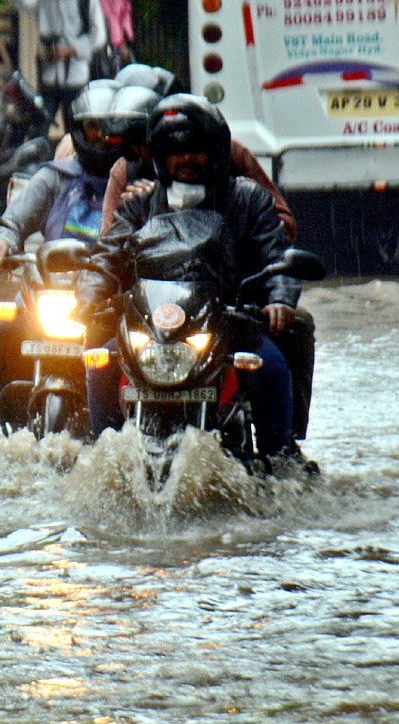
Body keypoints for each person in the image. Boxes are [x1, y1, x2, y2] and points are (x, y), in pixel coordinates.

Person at [75, 94, 302, 462]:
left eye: (195, 150)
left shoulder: (247, 199)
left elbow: (275, 255)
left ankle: (280, 461)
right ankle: (104, 458)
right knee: (99, 363)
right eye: (174, 152)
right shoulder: (140, 202)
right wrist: (87, 296)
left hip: (231, 323)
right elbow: (107, 255)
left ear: (215, 152)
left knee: (271, 366)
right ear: (160, 158)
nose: (186, 160)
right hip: (152, 330)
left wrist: (278, 299)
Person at [0, 80, 123, 429]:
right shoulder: (54, 178)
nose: (102, 139)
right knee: (6, 333)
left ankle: (119, 423)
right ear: (78, 132)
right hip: (53, 290)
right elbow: (13, 218)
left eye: (110, 131)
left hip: (108, 296)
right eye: (93, 130)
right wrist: (1, 241)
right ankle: (12, 422)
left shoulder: (135, 180)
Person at [16, 0, 106, 137]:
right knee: (40, 130)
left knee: (75, 134)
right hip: (49, 74)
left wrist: (71, 49)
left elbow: (99, 36)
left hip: (76, 76)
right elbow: (24, 5)